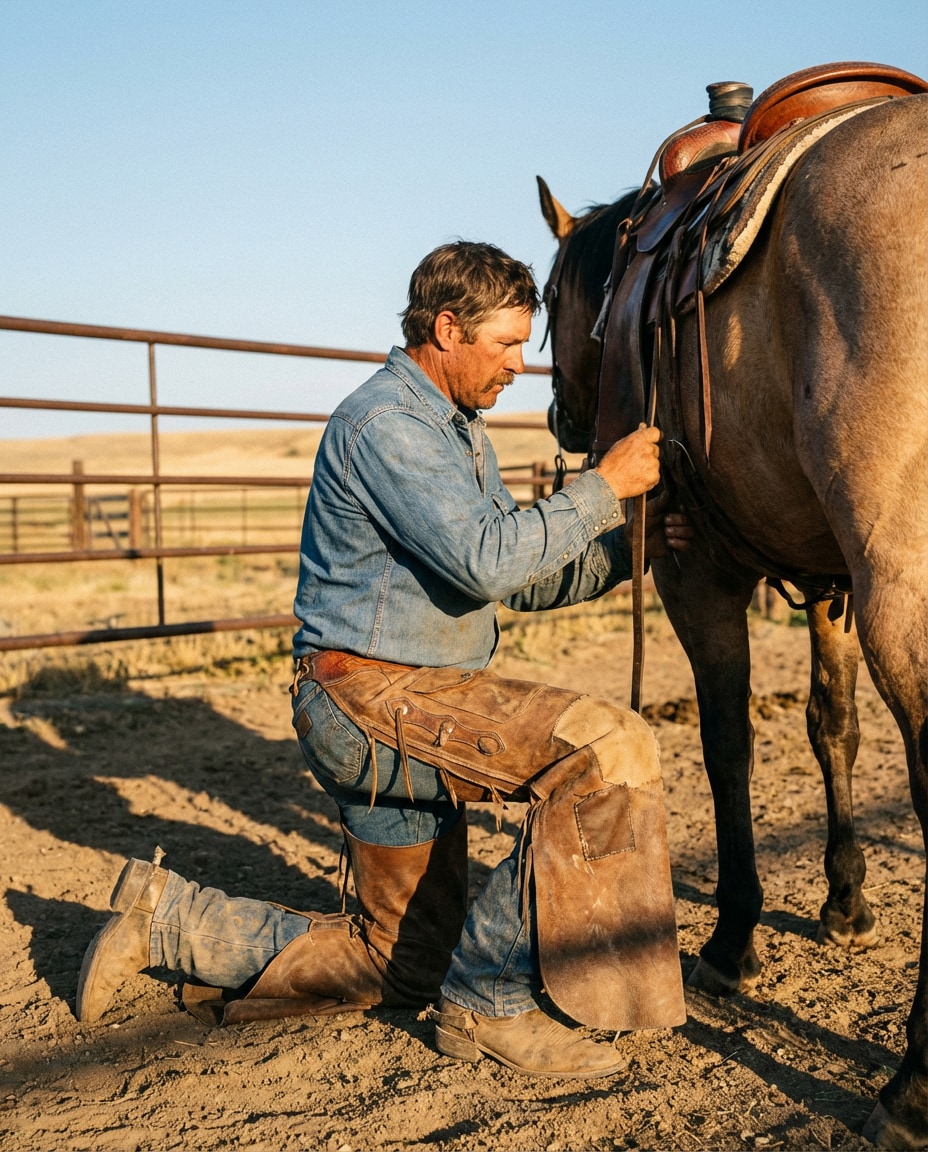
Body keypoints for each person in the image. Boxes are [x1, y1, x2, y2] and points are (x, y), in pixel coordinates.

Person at [77, 240, 693, 1079]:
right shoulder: (386, 425)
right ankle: (490, 1007)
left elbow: (518, 579)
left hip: (405, 702)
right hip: (374, 701)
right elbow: (489, 559)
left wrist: (632, 548)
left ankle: (171, 923)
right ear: (447, 328)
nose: (523, 363)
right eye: (507, 343)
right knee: (607, 749)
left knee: (399, 962)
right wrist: (600, 488)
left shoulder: (454, 430)